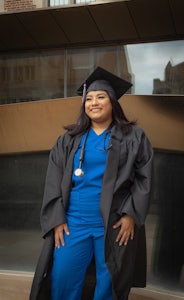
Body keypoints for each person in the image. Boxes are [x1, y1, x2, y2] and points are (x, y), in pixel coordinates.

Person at [30, 66, 153, 300]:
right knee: (63, 278)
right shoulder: (68, 140)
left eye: (101, 97)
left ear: (113, 102)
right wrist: (56, 220)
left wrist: (131, 216)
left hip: (114, 225)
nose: (93, 103)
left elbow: (144, 179)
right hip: (73, 223)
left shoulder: (134, 137)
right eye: (89, 99)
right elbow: (53, 182)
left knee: (110, 282)